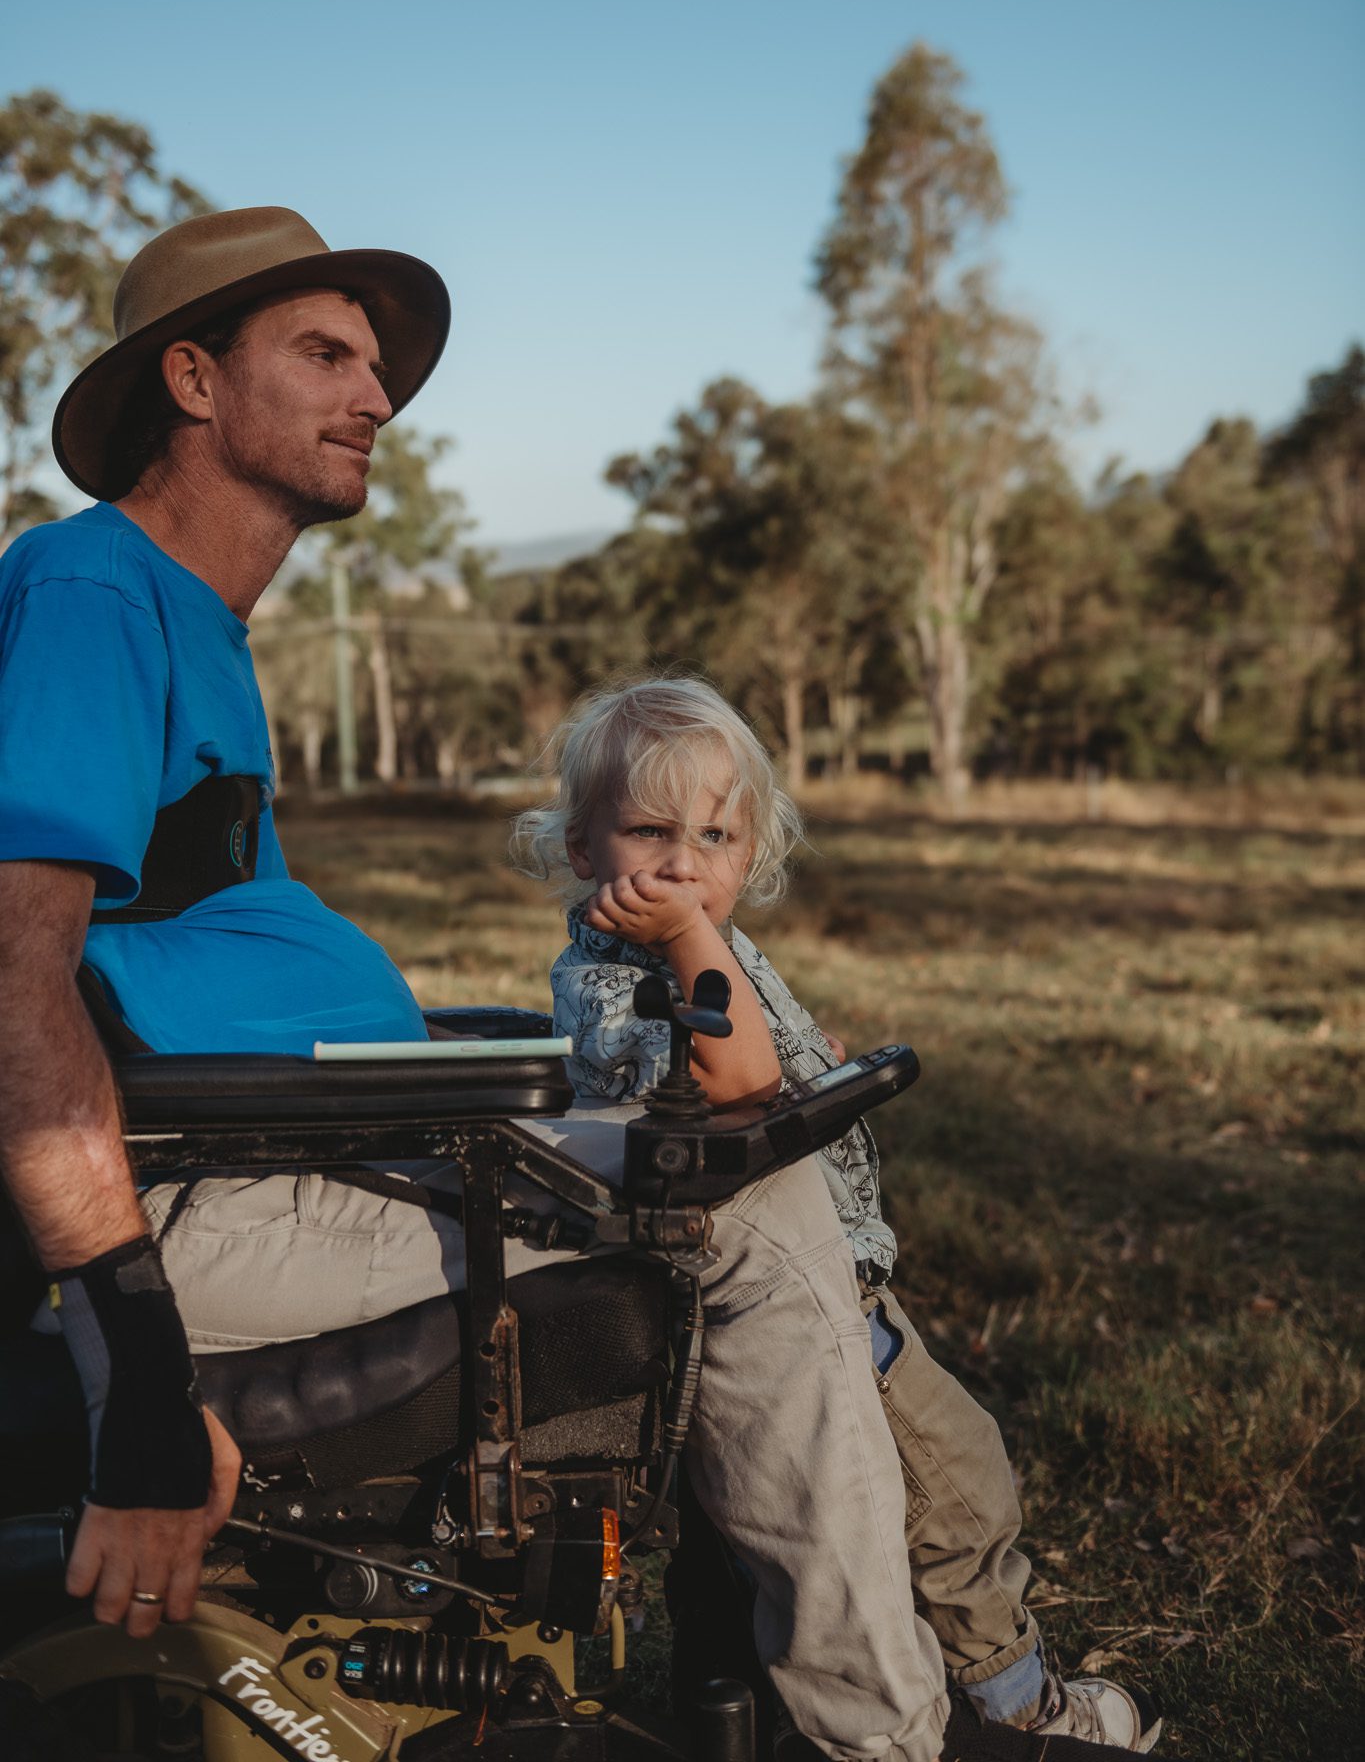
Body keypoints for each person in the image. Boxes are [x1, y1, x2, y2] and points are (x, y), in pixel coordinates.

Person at [0, 204, 1107, 1762]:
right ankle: (882, 1737)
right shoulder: (94, 597)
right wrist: (133, 1369)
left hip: (302, 1146)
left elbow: (168, 958)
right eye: (324, 356)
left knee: (745, 1153)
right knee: (754, 1209)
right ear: (193, 379)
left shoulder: (194, 624)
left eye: (373, 365)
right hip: (199, 1195)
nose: (375, 397)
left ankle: (858, 1705)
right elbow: (15, 982)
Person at [511, 676, 1161, 1753]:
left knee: (869, 1509)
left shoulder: (687, 938)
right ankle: (1024, 1713)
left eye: (714, 834)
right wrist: (687, 934)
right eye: (648, 830)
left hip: (830, 1275)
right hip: (793, 1303)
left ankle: (803, 1695)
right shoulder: (618, 972)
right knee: (960, 1491)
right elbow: (745, 1081)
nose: (683, 862)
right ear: (584, 846)